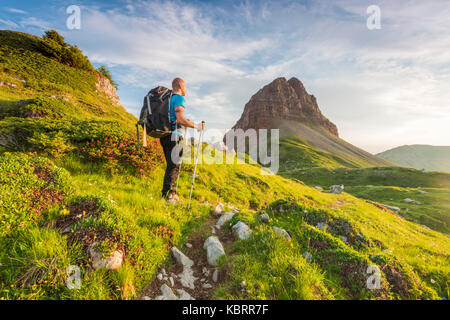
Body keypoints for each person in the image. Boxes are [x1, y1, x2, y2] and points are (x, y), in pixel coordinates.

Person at [160, 77, 205, 203]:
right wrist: (197, 126)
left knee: (171, 165)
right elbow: (180, 118)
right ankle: (169, 195)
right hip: (175, 135)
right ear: (180, 86)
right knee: (174, 165)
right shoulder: (179, 98)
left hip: (165, 135)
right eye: (185, 86)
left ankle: (170, 193)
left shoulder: (167, 100)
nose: (186, 89)